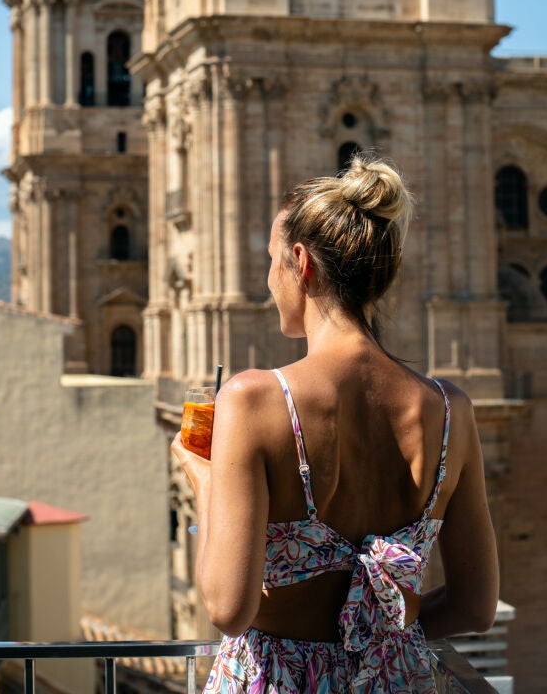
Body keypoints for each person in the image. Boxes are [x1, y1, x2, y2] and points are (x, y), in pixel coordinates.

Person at [171, 154, 499, 692]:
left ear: (301, 263)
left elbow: (228, 608)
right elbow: (475, 606)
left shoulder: (254, 399)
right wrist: (383, 637)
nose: (267, 278)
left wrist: (203, 477)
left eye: (272, 260)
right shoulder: (450, 410)